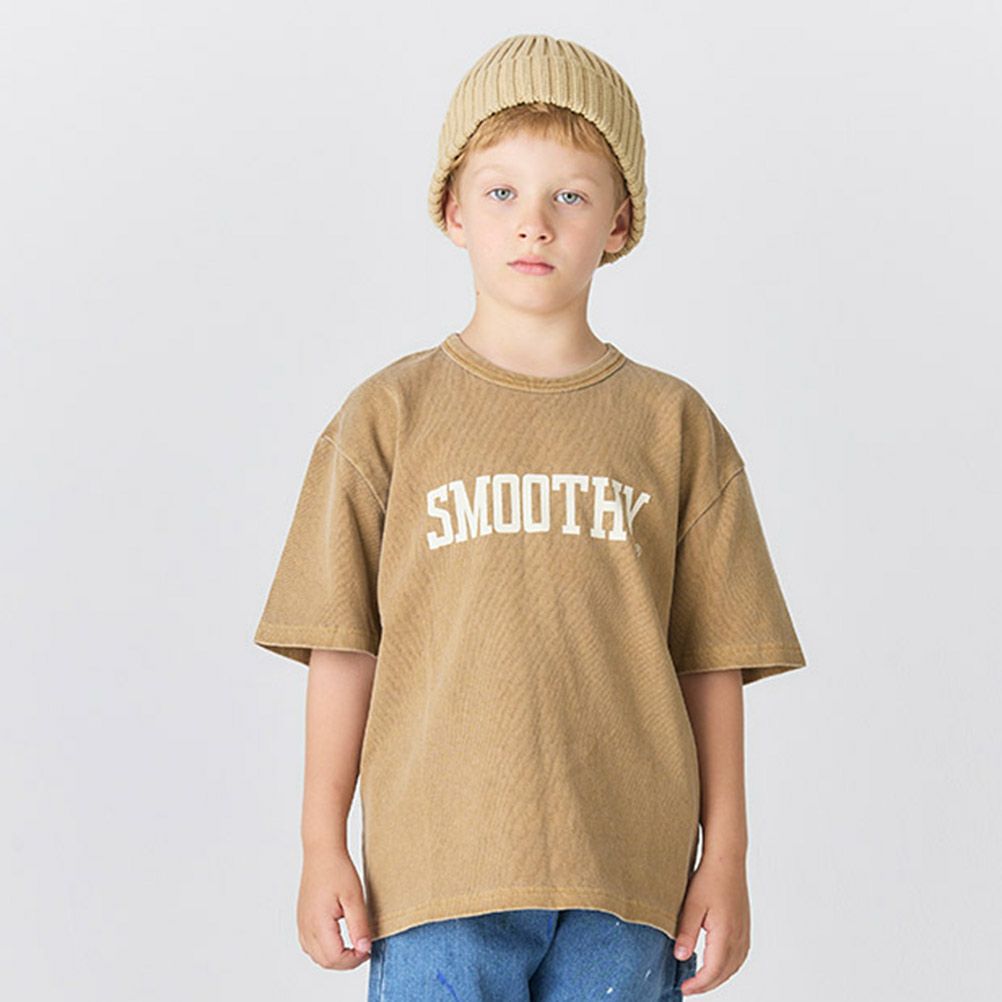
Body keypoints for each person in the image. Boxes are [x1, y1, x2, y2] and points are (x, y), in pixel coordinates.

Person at [253, 33, 807, 1001]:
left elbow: (711, 663)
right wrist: (319, 843)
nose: (534, 225)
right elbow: (343, 647)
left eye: (571, 196)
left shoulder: (675, 427)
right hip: (434, 875)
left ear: (620, 221)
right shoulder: (386, 419)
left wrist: (727, 858)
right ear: (452, 209)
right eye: (502, 191)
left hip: (627, 878)